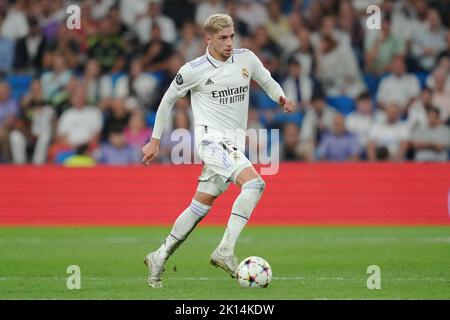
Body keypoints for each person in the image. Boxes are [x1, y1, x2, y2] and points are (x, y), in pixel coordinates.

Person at [141, 13, 294, 288]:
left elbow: (267, 80)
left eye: (232, 36)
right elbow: (167, 101)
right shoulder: (193, 69)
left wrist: (280, 96)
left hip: (233, 143)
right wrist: (154, 140)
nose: (229, 42)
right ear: (208, 39)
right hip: (211, 142)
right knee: (255, 185)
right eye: (223, 38)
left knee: (199, 207)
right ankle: (225, 250)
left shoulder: (246, 58)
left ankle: (159, 256)